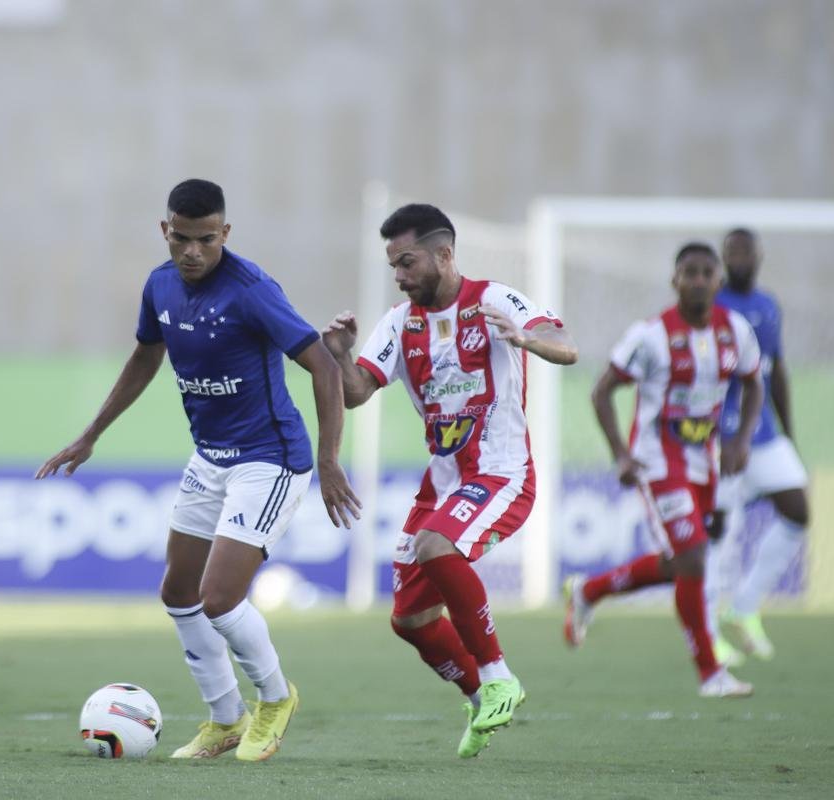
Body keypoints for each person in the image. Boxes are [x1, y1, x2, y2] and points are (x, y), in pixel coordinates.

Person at [36, 179, 360, 762]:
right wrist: (91, 435)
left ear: (224, 234)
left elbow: (325, 369)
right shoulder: (159, 285)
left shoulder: (252, 290)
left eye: (205, 240)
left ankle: (275, 697)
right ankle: (225, 719)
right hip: (211, 455)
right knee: (178, 590)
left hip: (271, 459)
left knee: (217, 597)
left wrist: (331, 460)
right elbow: (144, 355)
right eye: (180, 239)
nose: (191, 252)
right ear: (165, 231)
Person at [321, 204, 578, 759]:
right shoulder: (400, 321)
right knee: (410, 621)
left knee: (435, 545)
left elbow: (565, 344)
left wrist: (531, 342)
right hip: (443, 484)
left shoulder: (494, 300)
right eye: (393, 265)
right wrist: (339, 357)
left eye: (407, 261)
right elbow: (356, 392)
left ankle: (500, 675)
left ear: (444, 253)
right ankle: (480, 694)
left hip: (502, 474)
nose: (399, 274)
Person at [563, 242, 762, 699]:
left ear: (718, 280)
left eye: (706, 272)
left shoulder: (736, 330)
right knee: (693, 556)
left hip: (705, 461)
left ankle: (588, 592)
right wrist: (621, 453)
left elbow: (755, 385)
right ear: (674, 280)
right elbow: (602, 391)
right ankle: (711, 673)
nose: (697, 280)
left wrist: (741, 439)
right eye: (688, 272)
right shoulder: (650, 336)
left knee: (681, 565)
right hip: (657, 460)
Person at [705, 228, 810, 664]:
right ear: (724, 259)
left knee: (798, 510)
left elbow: (775, 370)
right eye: (732, 251)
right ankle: (707, 632)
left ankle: (744, 607)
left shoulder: (768, 306)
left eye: (746, 250)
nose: (740, 257)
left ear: (760, 256)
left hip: (762, 432)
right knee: (718, 532)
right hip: (718, 437)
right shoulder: (711, 307)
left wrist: (788, 433)